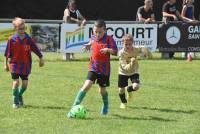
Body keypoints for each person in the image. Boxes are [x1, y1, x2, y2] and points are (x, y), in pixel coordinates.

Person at [67, 19, 118, 117]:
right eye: (96, 32)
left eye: (100, 32)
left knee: (102, 90)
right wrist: (88, 45)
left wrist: (108, 50)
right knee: (86, 85)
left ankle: (105, 105)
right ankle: (73, 108)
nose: (98, 34)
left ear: (105, 30)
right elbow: (93, 41)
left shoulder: (109, 39)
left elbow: (115, 52)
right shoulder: (94, 37)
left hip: (104, 69)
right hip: (93, 66)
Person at [3, 17, 44, 109]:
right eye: (20, 28)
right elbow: (7, 53)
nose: (22, 30)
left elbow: (35, 49)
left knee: (24, 85)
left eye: (23, 28)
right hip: (14, 64)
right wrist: (5, 64)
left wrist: (41, 58)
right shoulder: (11, 40)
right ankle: (15, 102)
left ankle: (19, 94)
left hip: (26, 65)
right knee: (16, 82)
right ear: (15, 28)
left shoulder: (28, 39)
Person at [118, 34, 151, 109]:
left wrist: (147, 53)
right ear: (122, 44)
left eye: (130, 44)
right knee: (121, 90)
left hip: (134, 71)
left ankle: (129, 89)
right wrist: (131, 63)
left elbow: (143, 49)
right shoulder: (121, 53)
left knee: (136, 86)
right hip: (123, 72)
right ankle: (123, 102)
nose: (128, 46)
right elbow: (124, 67)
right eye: (126, 44)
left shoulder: (136, 49)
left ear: (132, 43)